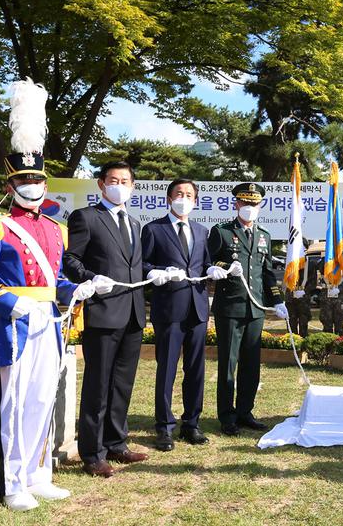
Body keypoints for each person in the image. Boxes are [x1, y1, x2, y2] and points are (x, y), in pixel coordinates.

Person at [0, 78, 93, 510]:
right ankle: (13, 482)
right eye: (24, 179)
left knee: (42, 398)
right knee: (12, 406)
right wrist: (14, 303)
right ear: (10, 186)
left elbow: (53, 279)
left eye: (38, 178)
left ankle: (38, 473)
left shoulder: (55, 228)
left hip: (50, 325)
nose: (33, 184)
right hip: (14, 327)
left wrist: (79, 287)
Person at [64, 161, 148, 478]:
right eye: (113, 180)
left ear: (132, 186)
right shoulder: (86, 217)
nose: (119, 185)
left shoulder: (135, 223)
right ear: (101, 184)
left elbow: (134, 265)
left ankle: (116, 443)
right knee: (97, 387)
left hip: (133, 313)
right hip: (102, 311)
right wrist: (90, 278)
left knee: (122, 384)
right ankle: (92, 452)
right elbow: (70, 259)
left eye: (125, 180)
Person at [142, 179, 224, 451]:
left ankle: (192, 423)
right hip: (169, 308)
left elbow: (206, 264)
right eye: (179, 193)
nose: (184, 198)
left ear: (196, 201)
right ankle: (164, 427)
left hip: (198, 308)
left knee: (196, 369)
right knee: (167, 369)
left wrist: (214, 270)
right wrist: (155, 273)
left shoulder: (201, 231)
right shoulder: (154, 229)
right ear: (169, 198)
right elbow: (141, 264)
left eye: (189, 194)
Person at [208, 182, 288, 436]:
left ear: (260, 205)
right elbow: (207, 260)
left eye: (254, 204)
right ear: (236, 204)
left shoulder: (264, 235)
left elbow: (267, 274)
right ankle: (227, 416)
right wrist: (223, 267)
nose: (249, 208)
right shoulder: (220, 232)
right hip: (230, 307)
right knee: (228, 364)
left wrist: (277, 300)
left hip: (255, 309)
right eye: (245, 203)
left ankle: (245, 411)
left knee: (251, 364)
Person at [284, 249, 316, 338]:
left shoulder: (311, 264)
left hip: (303, 299)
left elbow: (313, 283)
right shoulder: (290, 261)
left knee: (303, 325)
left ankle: (302, 347)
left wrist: (304, 291)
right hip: (290, 298)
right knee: (291, 324)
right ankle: (292, 346)